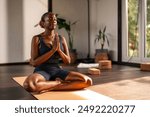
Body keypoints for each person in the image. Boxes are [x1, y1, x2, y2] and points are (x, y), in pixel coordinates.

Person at [23, 12, 92, 93]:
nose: (53, 21)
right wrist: (53, 50)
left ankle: (49, 86)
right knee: (29, 84)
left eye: (55, 19)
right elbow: (34, 63)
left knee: (87, 81)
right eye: (50, 19)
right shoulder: (36, 38)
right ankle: (58, 82)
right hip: (42, 71)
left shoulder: (61, 38)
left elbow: (68, 61)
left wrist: (59, 50)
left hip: (57, 70)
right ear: (43, 23)